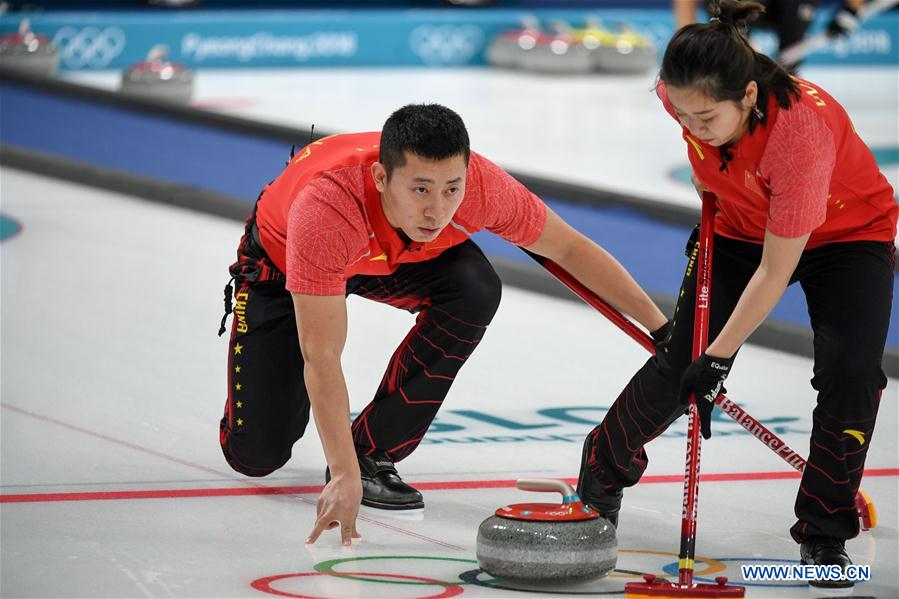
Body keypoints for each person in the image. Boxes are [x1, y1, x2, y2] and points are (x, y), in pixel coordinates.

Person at [217, 104, 669, 546]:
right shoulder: (326, 211)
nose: (437, 211)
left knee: (474, 287)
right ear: (381, 177)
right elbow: (322, 355)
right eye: (421, 189)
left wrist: (664, 331)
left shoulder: (482, 188)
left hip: (391, 251)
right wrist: (341, 475)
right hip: (287, 262)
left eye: (452, 189)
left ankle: (371, 450)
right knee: (256, 455)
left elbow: (568, 249)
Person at [577, 0, 895, 589]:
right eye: (682, 115)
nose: (691, 125)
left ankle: (825, 530)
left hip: (847, 235)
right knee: (679, 362)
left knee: (852, 374)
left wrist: (719, 359)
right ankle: (603, 466)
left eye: (705, 118)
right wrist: (713, 172)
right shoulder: (682, 91)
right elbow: (703, 136)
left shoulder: (798, 135)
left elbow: (775, 271)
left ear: (748, 95)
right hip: (739, 227)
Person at [672, 0, 868, 71]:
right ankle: (735, 54)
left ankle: (789, 75)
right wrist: (688, 41)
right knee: (733, 54)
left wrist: (851, 8)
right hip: (742, 5)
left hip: (790, 6)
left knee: (789, 62)